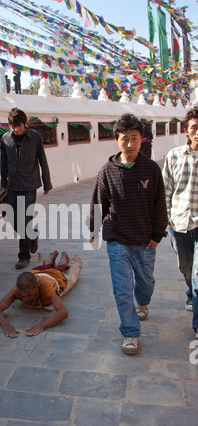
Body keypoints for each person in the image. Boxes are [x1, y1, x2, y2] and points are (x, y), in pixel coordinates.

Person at [89, 113, 167, 355]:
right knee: (122, 289)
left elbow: (160, 204)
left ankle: (143, 302)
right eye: (125, 139)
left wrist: (157, 234)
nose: (130, 144)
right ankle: (130, 333)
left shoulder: (151, 169)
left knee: (146, 283)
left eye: (135, 139)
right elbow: (97, 203)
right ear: (116, 140)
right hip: (117, 239)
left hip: (145, 241)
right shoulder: (107, 171)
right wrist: (93, 230)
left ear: (142, 139)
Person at [0, 107, 52, 269]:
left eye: (18, 126)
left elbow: (42, 160)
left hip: (30, 184)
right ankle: (32, 235)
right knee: (10, 217)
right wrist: (3, 183)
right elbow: (3, 163)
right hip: (13, 185)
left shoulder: (35, 137)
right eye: (13, 126)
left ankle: (24, 256)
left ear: (25, 123)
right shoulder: (6, 138)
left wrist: (47, 183)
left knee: (25, 219)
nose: (15, 129)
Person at [162, 107, 198, 339]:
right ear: (186, 131)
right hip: (180, 223)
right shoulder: (174, 156)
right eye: (194, 128)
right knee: (186, 267)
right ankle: (190, 291)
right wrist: (166, 218)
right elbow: (165, 190)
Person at [0, 250, 82, 337]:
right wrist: (5, 325)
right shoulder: (17, 289)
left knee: (61, 267)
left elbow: (63, 312)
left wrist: (41, 325)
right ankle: (52, 255)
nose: (25, 299)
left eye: (29, 295)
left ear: (37, 287)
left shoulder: (46, 287)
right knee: (45, 265)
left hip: (53, 276)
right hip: (36, 272)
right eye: (22, 295)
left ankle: (63, 255)